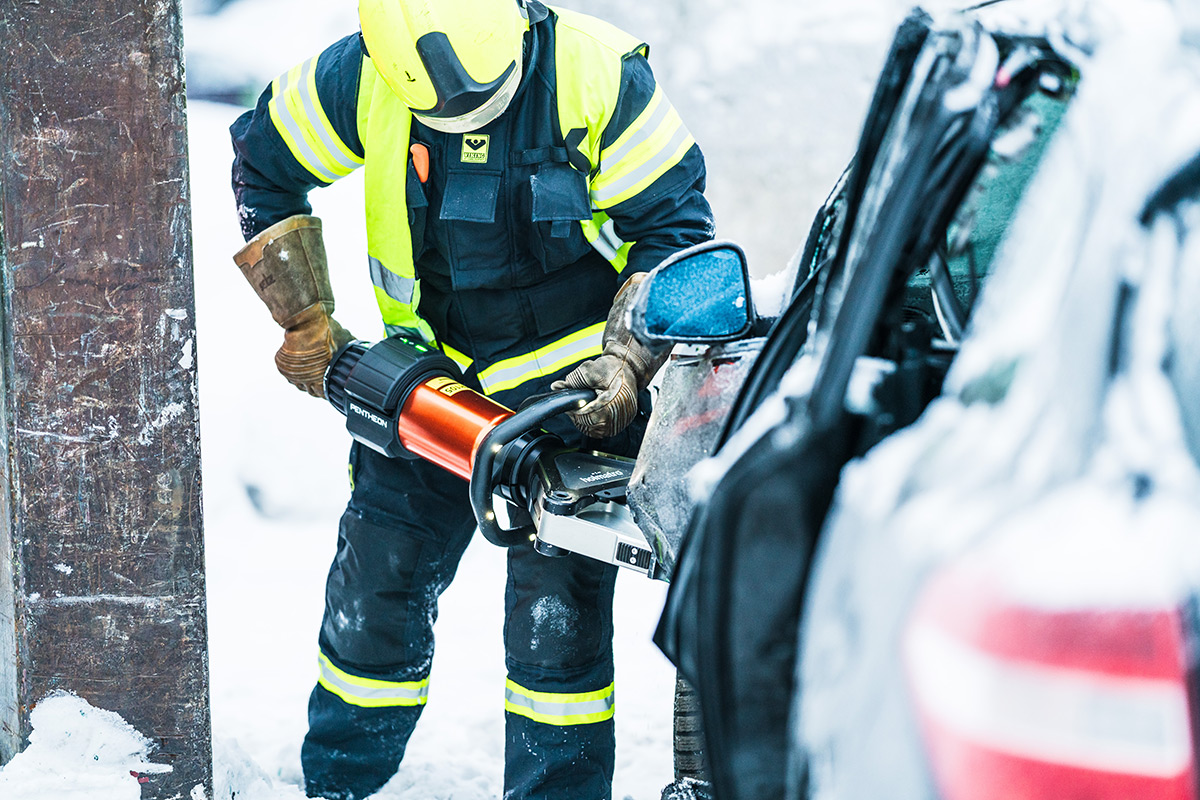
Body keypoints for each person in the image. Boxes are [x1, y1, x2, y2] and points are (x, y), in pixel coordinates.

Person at [228, 0, 713, 797]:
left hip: (575, 413)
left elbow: (678, 235)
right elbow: (263, 158)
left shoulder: (596, 74)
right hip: (425, 400)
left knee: (555, 627)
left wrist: (627, 361)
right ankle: (337, 782)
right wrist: (304, 314)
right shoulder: (363, 75)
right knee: (374, 588)